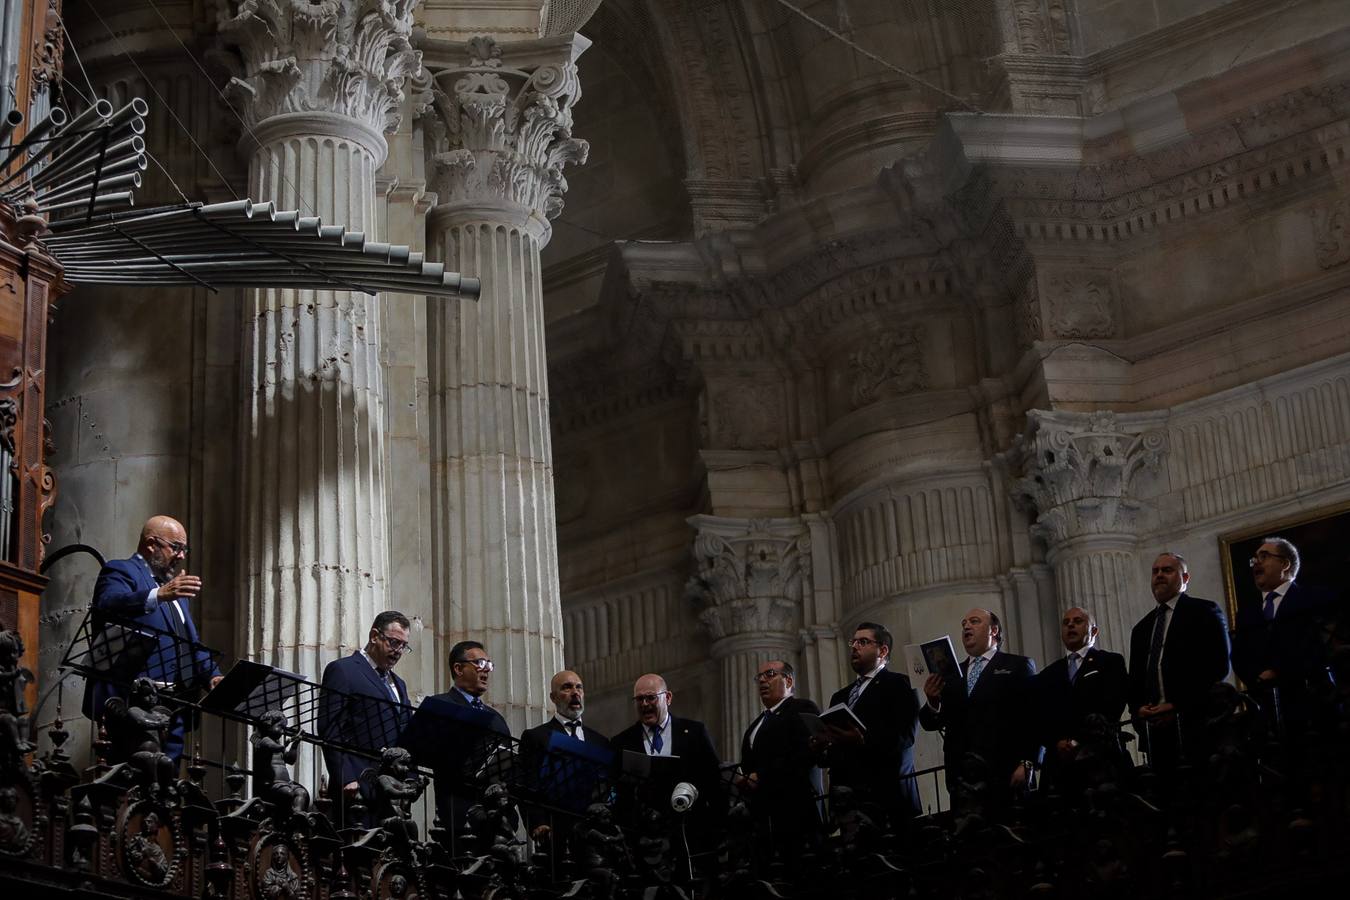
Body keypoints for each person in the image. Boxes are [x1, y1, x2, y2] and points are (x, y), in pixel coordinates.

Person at [80, 515, 222, 762]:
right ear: (151, 544)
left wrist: (213, 675)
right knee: (136, 773)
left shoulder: (176, 592)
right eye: (176, 547)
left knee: (167, 779)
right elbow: (107, 604)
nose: (181, 556)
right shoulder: (121, 570)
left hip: (175, 706)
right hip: (133, 702)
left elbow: (190, 643)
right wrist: (158, 594)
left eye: (184, 549)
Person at [919, 608, 1037, 810]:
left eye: (974, 621)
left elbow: (1033, 717)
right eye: (964, 623)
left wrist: (1028, 762)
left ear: (993, 630)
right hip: (962, 778)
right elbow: (930, 723)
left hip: (1004, 771)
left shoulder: (1017, 665)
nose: (966, 626)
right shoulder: (952, 674)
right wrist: (932, 701)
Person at [1127, 552, 1230, 769]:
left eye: (1167, 570)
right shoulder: (1141, 629)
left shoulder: (1204, 612)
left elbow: (1217, 667)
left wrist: (1177, 706)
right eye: (1155, 571)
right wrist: (1138, 711)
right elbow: (1135, 680)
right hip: (1155, 732)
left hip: (1196, 724)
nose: (1160, 575)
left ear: (1185, 578)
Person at [816, 622, 920, 824]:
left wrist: (863, 740)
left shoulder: (899, 684)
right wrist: (823, 748)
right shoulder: (840, 696)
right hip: (848, 800)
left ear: (882, 650)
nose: (855, 646)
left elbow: (904, 737)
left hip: (887, 794)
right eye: (853, 642)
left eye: (863, 642)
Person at [317, 611, 413, 825]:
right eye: (393, 642)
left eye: (403, 646)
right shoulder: (343, 670)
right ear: (374, 636)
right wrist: (346, 777)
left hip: (391, 790)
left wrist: (410, 780)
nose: (398, 651)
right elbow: (330, 728)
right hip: (357, 786)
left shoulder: (400, 684)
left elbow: (405, 733)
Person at [611, 673, 724, 854]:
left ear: (668, 698)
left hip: (690, 832)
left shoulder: (695, 732)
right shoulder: (621, 742)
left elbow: (713, 782)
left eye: (650, 697)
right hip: (643, 840)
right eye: (639, 699)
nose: (645, 704)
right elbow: (617, 791)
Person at [1231, 537, 1333, 733]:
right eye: (1254, 559)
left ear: (1285, 564)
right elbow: (1239, 656)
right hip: (1267, 709)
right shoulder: (1246, 613)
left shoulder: (1313, 599)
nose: (1256, 563)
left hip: (1312, 703)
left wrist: (1279, 671)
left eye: (1264, 556)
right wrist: (1257, 677)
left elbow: (1319, 645)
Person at [1033, 607, 1128, 789]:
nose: (1070, 626)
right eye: (1066, 623)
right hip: (1059, 763)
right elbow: (1041, 716)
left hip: (1099, 758)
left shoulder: (1110, 662)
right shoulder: (1048, 674)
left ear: (1093, 630)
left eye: (1077, 621)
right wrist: (1057, 742)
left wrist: (1080, 740)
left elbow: (1113, 705)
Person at [737, 660, 823, 858]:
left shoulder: (802, 707)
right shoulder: (755, 725)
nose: (762, 681)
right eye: (759, 677)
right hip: (763, 817)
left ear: (789, 680)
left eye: (769, 675)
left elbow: (804, 753)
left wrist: (762, 776)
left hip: (796, 810)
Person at [425, 640, 511, 832]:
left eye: (489, 665)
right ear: (458, 668)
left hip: (496, 813)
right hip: (459, 808)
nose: (486, 670)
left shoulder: (496, 718)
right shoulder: (440, 706)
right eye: (480, 663)